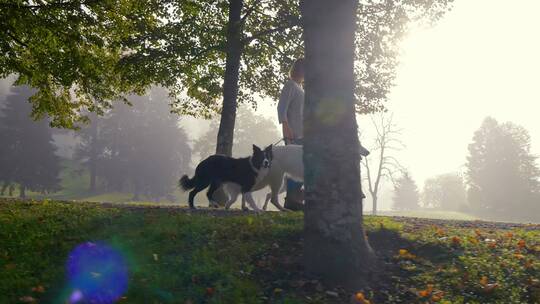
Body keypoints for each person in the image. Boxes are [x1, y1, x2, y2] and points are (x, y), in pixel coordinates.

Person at [277, 58, 305, 210]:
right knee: (295, 166)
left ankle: (296, 198)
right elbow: (282, 108)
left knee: (302, 166)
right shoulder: (290, 85)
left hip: (303, 134)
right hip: (293, 133)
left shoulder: (301, 87)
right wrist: (286, 127)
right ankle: (292, 200)